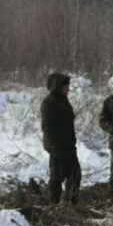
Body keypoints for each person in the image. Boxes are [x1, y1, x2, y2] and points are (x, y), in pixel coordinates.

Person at [40, 71, 80, 205]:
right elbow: (47, 127)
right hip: (57, 147)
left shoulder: (64, 101)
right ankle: (54, 204)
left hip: (69, 146)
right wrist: (53, 145)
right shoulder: (49, 102)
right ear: (58, 86)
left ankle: (71, 203)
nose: (68, 89)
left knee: (75, 175)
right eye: (65, 86)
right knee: (57, 178)